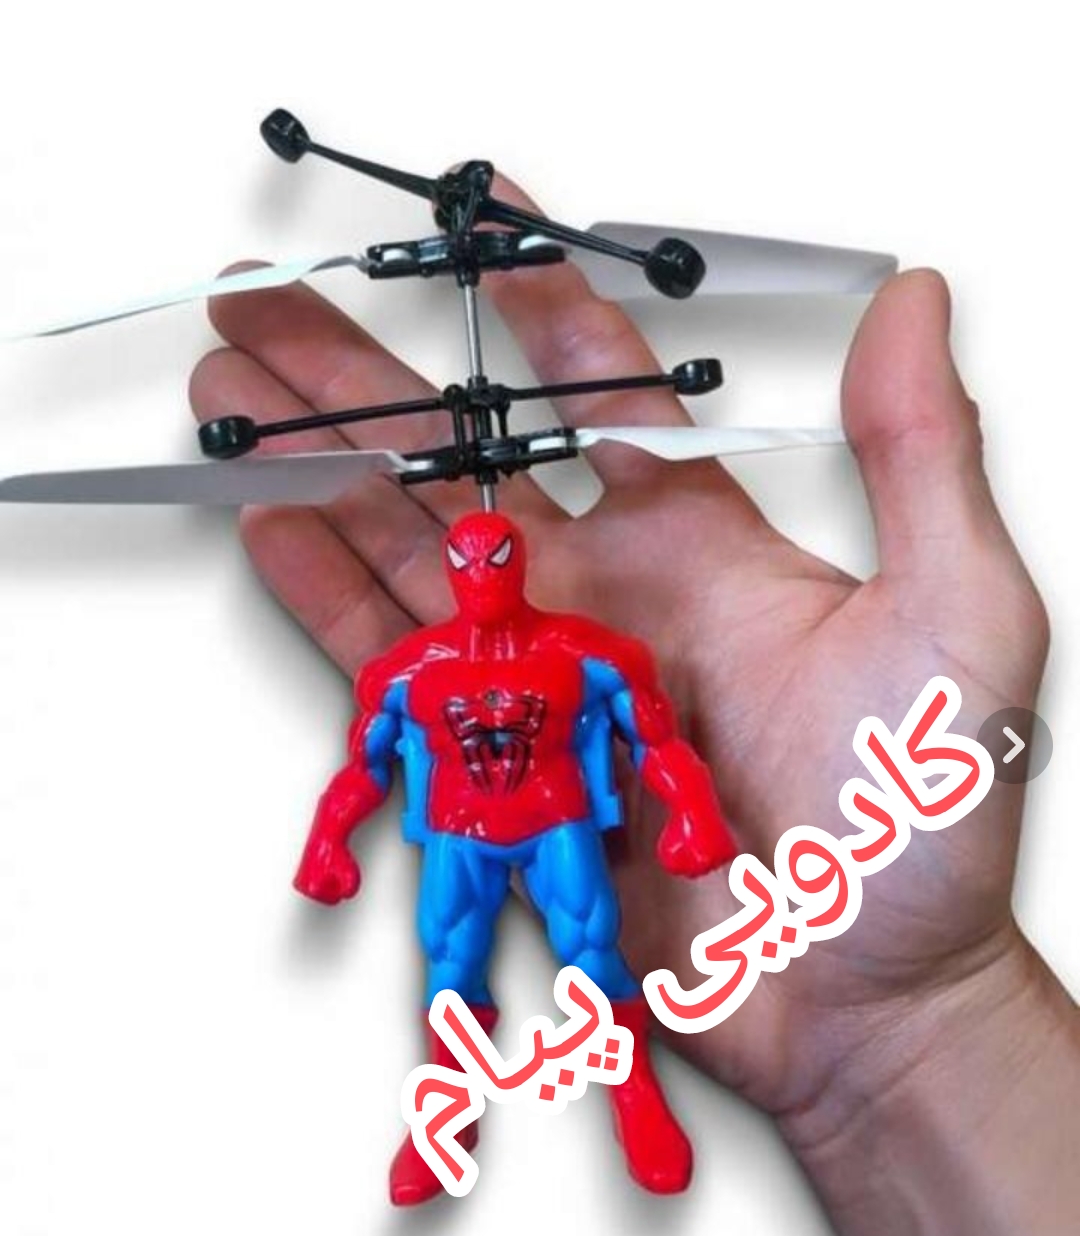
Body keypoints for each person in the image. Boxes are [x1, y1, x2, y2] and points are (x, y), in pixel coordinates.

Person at [189, 176, 1080, 1234]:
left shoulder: (586, 651)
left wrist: (698, 820)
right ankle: (446, 1121)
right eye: (468, 561)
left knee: (593, 964)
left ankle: (637, 1105)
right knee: (451, 975)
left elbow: (655, 738)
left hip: (561, 824)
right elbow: (366, 762)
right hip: (461, 834)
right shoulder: (411, 670)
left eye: (492, 557)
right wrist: (327, 844)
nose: (478, 569)